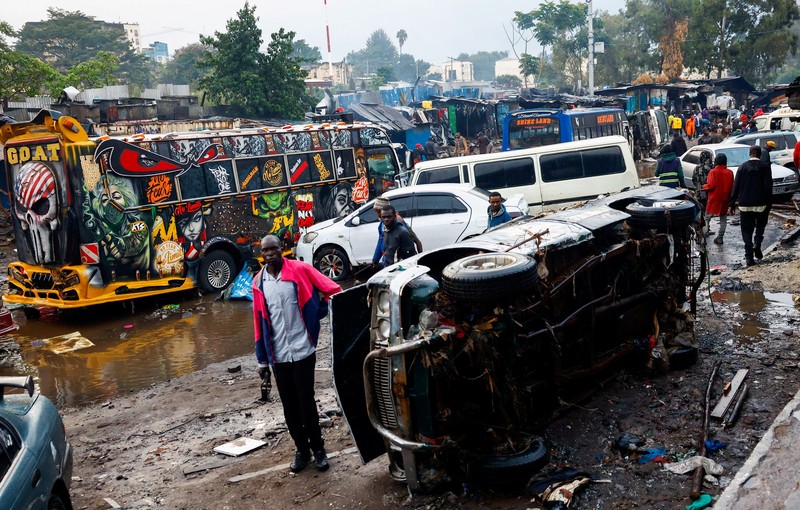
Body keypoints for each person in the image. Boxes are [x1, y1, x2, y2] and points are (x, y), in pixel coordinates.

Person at [252, 235, 342, 472]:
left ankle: (319, 450)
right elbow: (258, 322)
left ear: (283, 250)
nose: (270, 253)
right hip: (278, 355)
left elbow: (332, 289)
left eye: (274, 249)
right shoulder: (258, 283)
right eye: (265, 250)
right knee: (289, 407)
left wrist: (319, 312)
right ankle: (302, 451)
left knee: (306, 404)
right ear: (261, 254)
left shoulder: (300, 270)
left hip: (303, 350)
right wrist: (261, 359)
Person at [730, 145, 772, 266]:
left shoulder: (742, 167)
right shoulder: (765, 167)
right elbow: (768, 186)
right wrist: (769, 203)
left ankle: (749, 256)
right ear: (760, 154)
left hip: (745, 204)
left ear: (750, 154)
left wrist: (732, 202)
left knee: (746, 230)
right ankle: (757, 244)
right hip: (761, 203)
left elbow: (736, 186)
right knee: (760, 226)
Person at [371, 196, 422, 267]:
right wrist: (375, 260)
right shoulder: (383, 225)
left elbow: (414, 244)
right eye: (383, 217)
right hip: (387, 261)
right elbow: (380, 241)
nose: (386, 219)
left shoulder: (400, 227)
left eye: (378, 212)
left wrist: (419, 262)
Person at [702, 153, 735, 245]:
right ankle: (720, 237)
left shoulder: (713, 172)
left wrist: (704, 186)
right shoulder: (730, 172)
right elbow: (732, 187)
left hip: (714, 198)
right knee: (723, 219)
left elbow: (711, 185)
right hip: (725, 199)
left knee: (707, 218)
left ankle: (704, 236)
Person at [692, 150, 713, 229]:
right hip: (707, 193)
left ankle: (701, 228)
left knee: (701, 211)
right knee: (708, 212)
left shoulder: (696, 168)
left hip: (698, 193)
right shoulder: (710, 169)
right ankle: (707, 228)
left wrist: (698, 186)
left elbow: (693, 180)